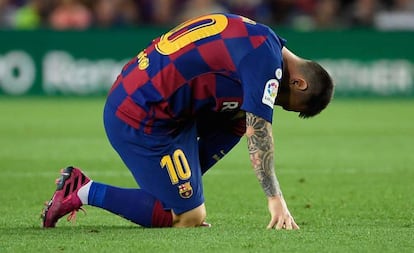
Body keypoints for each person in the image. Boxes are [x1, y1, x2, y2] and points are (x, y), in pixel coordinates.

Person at [41, 13, 334, 230]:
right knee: (187, 217)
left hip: (158, 101)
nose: (280, 106)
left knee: (238, 117)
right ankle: (82, 189)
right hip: (140, 114)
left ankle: (178, 192)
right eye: (288, 105)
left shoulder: (263, 39)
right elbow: (259, 133)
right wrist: (275, 198)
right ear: (299, 83)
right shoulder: (265, 63)